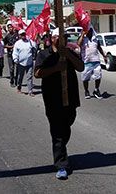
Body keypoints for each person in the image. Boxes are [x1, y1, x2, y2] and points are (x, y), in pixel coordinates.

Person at [34, 29, 84, 180]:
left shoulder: (70, 52)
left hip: (70, 99)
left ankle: (61, 147)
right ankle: (62, 165)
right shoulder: (44, 54)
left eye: (61, 36)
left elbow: (81, 67)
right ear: (50, 38)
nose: (58, 39)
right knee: (57, 132)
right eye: (55, 36)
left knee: (67, 126)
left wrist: (68, 54)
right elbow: (37, 73)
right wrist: (56, 68)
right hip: (53, 99)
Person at [77, 28, 108, 99]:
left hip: (96, 60)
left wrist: (104, 56)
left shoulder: (95, 39)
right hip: (86, 61)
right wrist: (82, 35)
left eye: (90, 31)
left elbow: (99, 47)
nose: (89, 32)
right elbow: (78, 44)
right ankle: (86, 91)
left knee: (98, 75)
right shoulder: (83, 39)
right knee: (85, 78)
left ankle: (96, 90)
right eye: (88, 31)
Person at [12, 29, 37, 96]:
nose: (23, 35)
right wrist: (15, 59)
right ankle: (19, 87)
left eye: (24, 34)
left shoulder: (30, 41)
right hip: (21, 63)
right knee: (20, 76)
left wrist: (34, 40)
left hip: (29, 63)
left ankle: (30, 91)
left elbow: (35, 47)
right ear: (19, 35)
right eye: (22, 34)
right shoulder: (17, 43)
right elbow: (15, 52)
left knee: (29, 77)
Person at [3, 22, 19, 86]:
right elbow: (3, 45)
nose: (10, 29)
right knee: (11, 68)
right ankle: (11, 81)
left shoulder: (17, 35)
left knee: (18, 68)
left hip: (17, 54)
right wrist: (10, 47)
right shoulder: (7, 36)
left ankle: (17, 81)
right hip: (10, 54)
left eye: (11, 27)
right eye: (9, 28)